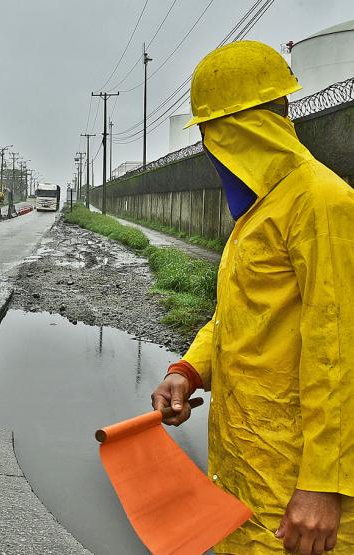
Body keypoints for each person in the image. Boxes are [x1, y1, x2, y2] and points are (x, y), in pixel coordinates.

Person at [151, 41, 353, 555]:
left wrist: (324, 486)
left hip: (299, 499)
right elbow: (237, 317)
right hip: (246, 468)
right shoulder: (260, 212)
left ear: (240, 128)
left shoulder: (321, 203)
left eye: (211, 133)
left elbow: (340, 351)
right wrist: (188, 371)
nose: (208, 147)